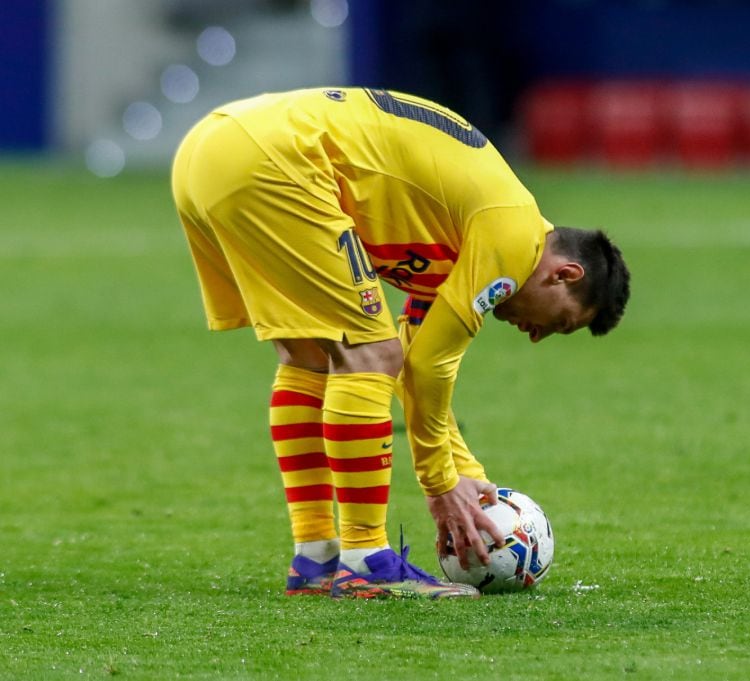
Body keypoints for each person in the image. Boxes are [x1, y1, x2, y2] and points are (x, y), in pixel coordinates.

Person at [170, 87, 630, 599]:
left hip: (209, 147)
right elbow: (429, 364)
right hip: (276, 160)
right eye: (561, 322)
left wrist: (466, 473)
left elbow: (417, 368)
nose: (538, 335)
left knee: (310, 355)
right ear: (564, 274)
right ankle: (365, 558)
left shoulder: (472, 237)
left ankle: (316, 558)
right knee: (370, 353)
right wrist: (439, 485)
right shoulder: (511, 239)